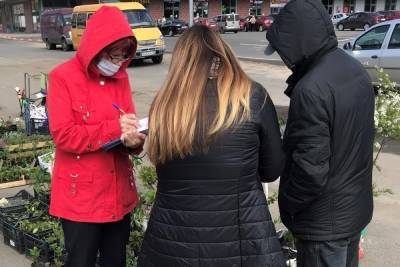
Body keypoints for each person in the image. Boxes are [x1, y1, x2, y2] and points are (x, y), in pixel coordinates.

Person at [138, 25, 286, 267]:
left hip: (172, 243)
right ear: (223, 53)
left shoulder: (164, 105)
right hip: (243, 240)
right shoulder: (251, 97)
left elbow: (165, 170)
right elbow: (271, 169)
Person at [265, 0, 374, 266]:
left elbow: (310, 171)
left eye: (282, 50)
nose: (283, 57)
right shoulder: (354, 70)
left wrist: (289, 206)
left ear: (296, 41)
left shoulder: (311, 90)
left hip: (323, 226)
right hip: (353, 211)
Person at [47, 6, 146, 267]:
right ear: (96, 48)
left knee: (116, 260)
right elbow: (64, 135)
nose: (117, 64)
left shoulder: (120, 79)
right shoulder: (62, 77)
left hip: (117, 192)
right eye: (114, 56)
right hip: (81, 198)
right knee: (81, 260)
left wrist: (135, 142)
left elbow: (128, 129)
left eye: (123, 57)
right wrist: (115, 128)